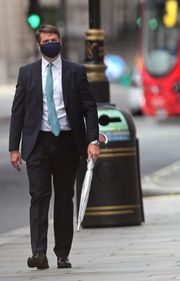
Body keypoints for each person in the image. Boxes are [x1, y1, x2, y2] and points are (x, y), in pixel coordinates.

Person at [9, 25, 100, 269]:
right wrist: (13, 148)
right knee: (38, 196)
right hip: (37, 143)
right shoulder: (26, 73)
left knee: (63, 198)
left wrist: (92, 141)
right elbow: (17, 111)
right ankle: (38, 253)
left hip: (68, 143)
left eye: (54, 39)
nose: (51, 43)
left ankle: (62, 253)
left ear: (60, 41)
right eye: (46, 40)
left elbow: (89, 109)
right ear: (38, 45)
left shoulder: (75, 72)